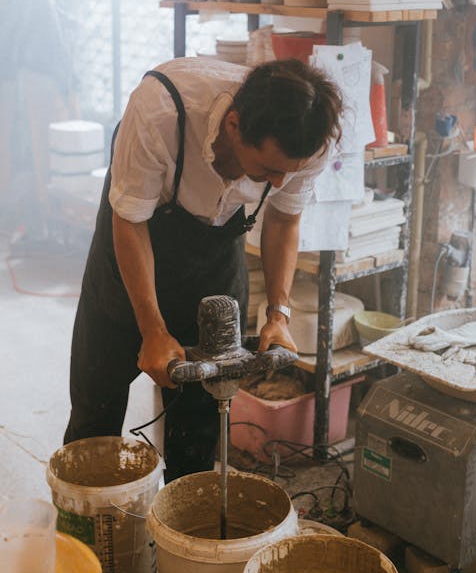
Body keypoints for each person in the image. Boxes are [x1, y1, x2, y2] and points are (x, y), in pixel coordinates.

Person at [64, 55, 343, 481]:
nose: (280, 182)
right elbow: (130, 222)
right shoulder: (160, 110)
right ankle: (87, 539)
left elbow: (284, 219)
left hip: (213, 252)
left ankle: (183, 529)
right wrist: (153, 331)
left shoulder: (310, 138)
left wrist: (278, 313)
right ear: (234, 126)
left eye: (290, 172)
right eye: (270, 170)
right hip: (134, 241)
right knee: (94, 418)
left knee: (199, 423)